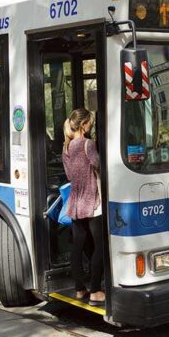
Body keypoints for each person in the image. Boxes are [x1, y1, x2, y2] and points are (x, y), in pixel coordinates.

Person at [62, 108, 105, 306]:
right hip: (93, 201)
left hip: (76, 201)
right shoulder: (88, 144)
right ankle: (95, 290)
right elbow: (98, 165)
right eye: (90, 122)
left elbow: (70, 176)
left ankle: (80, 289)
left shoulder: (67, 147)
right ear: (83, 125)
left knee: (77, 246)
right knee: (100, 246)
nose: (91, 125)